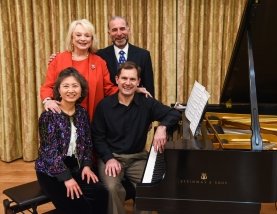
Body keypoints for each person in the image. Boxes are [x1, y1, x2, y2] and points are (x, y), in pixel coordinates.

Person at [91, 61, 181, 214]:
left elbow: (174, 113)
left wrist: (162, 127)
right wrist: (109, 158)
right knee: (113, 188)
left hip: (138, 157)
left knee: (148, 187)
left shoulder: (146, 103)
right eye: (124, 78)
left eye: (132, 79)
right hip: (112, 157)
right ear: (117, 79)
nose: (128, 83)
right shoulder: (104, 106)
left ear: (138, 82)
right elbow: (97, 137)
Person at [35, 67, 108, 214]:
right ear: (58, 90)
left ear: (81, 90)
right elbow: (50, 153)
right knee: (80, 207)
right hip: (51, 171)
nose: (71, 90)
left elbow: (87, 143)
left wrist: (87, 165)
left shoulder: (82, 113)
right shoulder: (49, 115)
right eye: (66, 86)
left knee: (101, 194)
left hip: (76, 166)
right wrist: (66, 178)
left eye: (75, 86)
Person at [40, 18, 118, 120]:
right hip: (62, 119)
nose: (83, 39)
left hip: (92, 119)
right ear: (72, 37)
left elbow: (109, 89)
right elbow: (48, 86)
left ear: (92, 39)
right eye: (78, 35)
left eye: (87, 35)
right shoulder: (58, 59)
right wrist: (48, 101)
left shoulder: (99, 62)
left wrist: (132, 89)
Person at [96, 16, 155, 97]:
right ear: (109, 33)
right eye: (114, 30)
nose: (119, 33)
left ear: (128, 30)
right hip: (109, 107)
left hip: (137, 107)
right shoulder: (100, 55)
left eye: (122, 29)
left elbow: (149, 89)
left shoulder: (144, 55)